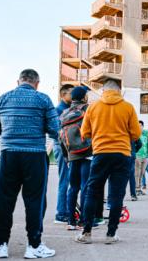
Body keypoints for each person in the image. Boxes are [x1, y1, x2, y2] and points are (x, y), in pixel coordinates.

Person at [0, 69, 59, 258]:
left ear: (18, 81)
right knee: (35, 200)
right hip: (35, 155)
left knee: (5, 199)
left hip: (9, 154)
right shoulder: (43, 99)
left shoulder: (3, 99)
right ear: (37, 83)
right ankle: (33, 246)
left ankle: (1, 245)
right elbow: (54, 129)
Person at [75, 80, 141, 245]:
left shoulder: (93, 107)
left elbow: (85, 132)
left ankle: (86, 232)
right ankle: (111, 234)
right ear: (119, 91)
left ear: (103, 91)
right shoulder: (128, 107)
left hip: (100, 154)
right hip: (122, 154)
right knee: (117, 195)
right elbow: (135, 134)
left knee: (92, 192)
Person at [62, 87, 91, 231]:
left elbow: (60, 136)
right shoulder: (87, 109)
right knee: (86, 186)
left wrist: (66, 155)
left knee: (73, 187)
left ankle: (70, 221)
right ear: (84, 97)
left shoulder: (65, 113)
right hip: (87, 152)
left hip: (72, 154)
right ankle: (83, 221)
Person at [53, 84, 74, 224]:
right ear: (63, 95)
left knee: (68, 179)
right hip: (62, 147)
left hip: (68, 147)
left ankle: (65, 210)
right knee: (64, 179)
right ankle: (61, 213)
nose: (73, 96)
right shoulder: (58, 110)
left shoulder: (67, 109)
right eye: (71, 93)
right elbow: (56, 131)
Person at [135, 121, 148, 196]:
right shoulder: (135, 134)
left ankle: (139, 188)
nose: (140, 127)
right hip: (137, 156)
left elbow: (147, 145)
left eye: (141, 125)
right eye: (138, 125)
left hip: (145, 156)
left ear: (143, 126)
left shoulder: (145, 134)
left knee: (142, 173)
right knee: (137, 173)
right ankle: (136, 189)